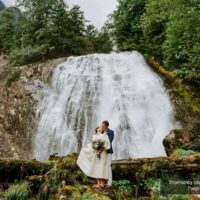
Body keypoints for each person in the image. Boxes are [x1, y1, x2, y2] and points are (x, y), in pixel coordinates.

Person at [101, 120, 114, 188]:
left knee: (108, 166)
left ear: (107, 126)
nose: (102, 127)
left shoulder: (111, 132)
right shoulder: (101, 132)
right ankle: (103, 182)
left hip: (108, 151)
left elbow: (110, 141)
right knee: (103, 166)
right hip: (102, 152)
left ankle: (110, 183)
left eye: (103, 126)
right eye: (101, 125)